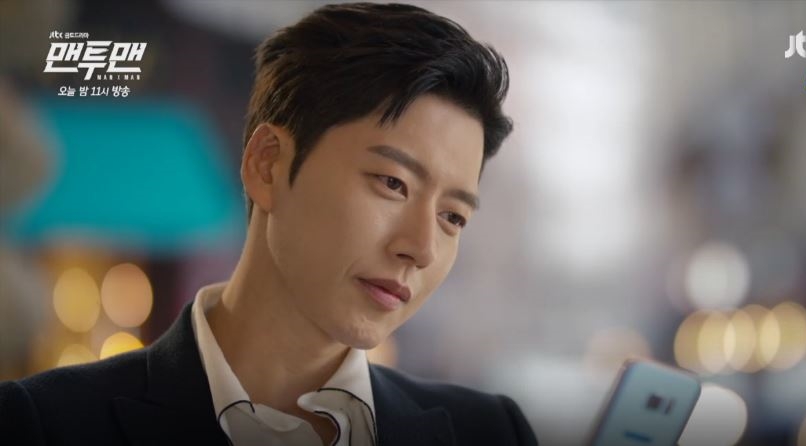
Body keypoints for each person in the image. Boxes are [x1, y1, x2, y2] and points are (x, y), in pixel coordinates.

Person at [0, 3, 537, 445]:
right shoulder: (44, 425)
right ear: (268, 165)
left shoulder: (490, 432)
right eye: (393, 183)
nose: (421, 247)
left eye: (452, 216)